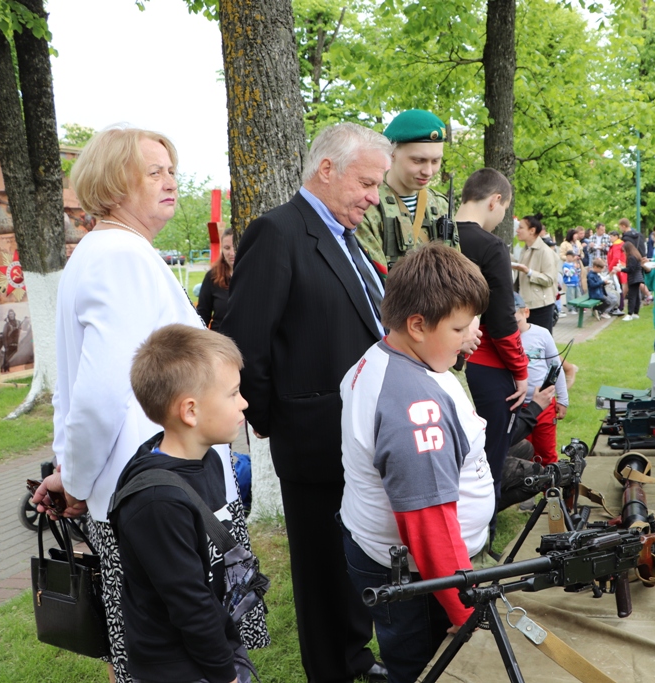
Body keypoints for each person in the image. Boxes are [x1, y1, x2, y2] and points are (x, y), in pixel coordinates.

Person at [30, 127, 266, 683]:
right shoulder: (119, 256)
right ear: (113, 184)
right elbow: (99, 392)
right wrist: (77, 481)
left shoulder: (114, 250)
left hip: (155, 485)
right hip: (158, 493)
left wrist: (73, 474)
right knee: (169, 648)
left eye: (171, 171)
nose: (170, 182)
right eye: (153, 171)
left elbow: (82, 384)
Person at [221, 122, 391, 683]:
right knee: (321, 573)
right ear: (327, 170)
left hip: (358, 435)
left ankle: (355, 658)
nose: (374, 197)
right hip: (314, 440)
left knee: (352, 561)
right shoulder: (277, 232)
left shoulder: (347, 236)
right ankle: (331, 670)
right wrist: (276, 420)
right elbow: (245, 342)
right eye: (367, 183)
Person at [338, 243, 493, 683]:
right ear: (418, 325)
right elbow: (429, 525)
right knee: (424, 669)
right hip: (418, 574)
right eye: (459, 328)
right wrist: (463, 608)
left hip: (397, 560)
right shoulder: (413, 405)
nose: (469, 337)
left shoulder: (388, 357)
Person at [111, 324, 256, 683]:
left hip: (210, 645)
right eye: (233, 394)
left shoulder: (208, 459)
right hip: (178, 667)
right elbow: (189, 604)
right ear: (190, 411)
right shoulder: (157, 502)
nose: (244, 402)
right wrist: (225, 674)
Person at [454, 168, 529, 522]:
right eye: (504, 210)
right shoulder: (491, 246)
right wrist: (521, 371)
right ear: (495, 200)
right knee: (489, 459)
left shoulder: (434, 232)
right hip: (486, 363)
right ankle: (484, 529)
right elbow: (501, 322)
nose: (501, 219)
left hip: (435, 360)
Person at [356, 109, 456, 273]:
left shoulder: (441, 205)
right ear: (392, 153)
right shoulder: (368, 205)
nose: (428, 171)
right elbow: (373, 277)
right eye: (418, 160)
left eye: (435, 161)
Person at [514, 293, 569, 465]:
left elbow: (556, 367)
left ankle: (550, 481)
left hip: (544, 404)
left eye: (516, 322)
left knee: (546, 451)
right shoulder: (504, 339)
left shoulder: (542, 334)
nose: (513, 327)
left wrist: (563, 399)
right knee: (522, 452)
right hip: (518, 407)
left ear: (526, 312)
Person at [512, 213, 559, 333]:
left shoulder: (545, 252)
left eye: (521, 227)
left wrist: (528, 272)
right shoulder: (525, 250)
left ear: (532, 231)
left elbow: (549, 279)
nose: (517, 230)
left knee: (540, 341)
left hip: (541, 307)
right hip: (527, 305)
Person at [197, 228, 236, 332]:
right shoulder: (212, 277)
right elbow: (202, 314)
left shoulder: (255, 276)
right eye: (227, 248)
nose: (232, 253)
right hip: (220, 338)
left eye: (235, 247)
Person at [621, 240, 645, 321]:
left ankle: (630, 314)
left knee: (632, 296)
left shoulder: (631, 257)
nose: (624, 253)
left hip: (634, 278)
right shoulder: (636, 255)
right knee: (636, 296)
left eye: (624, 251)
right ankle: (635, 312)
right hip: (637, 278)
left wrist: (621, 269)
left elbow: (630, 269)